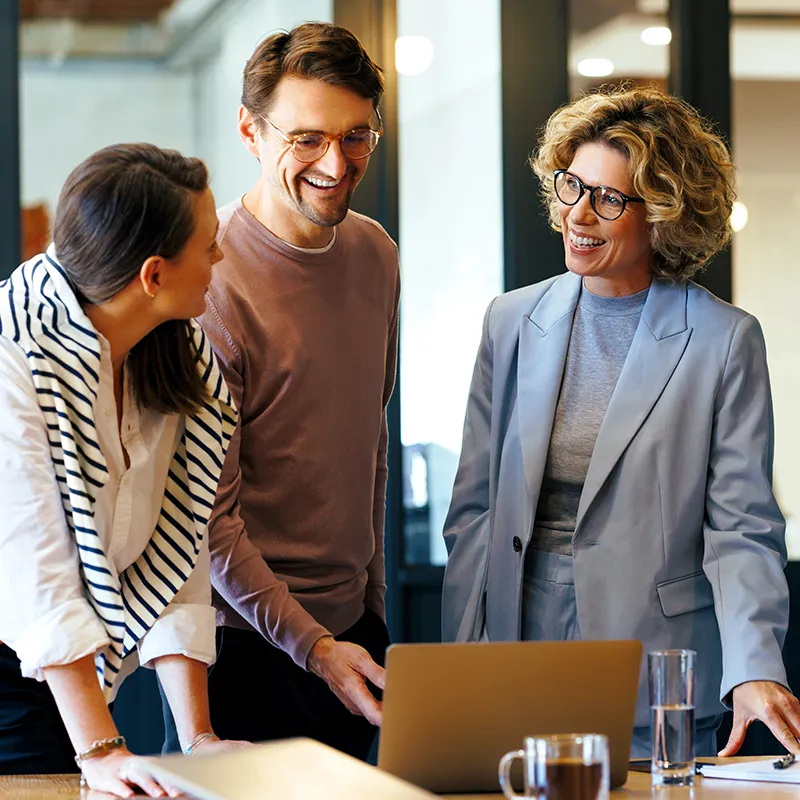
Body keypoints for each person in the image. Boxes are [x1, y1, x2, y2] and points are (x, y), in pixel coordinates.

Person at [441, 85, 800, 758]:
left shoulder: (723, 339)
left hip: (653, 660)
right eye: (571, 185)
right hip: (517, 647)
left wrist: (755, 665)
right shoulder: (511, 320)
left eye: (608, 198)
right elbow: (474, 513)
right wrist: (462, 662)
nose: (579, 213)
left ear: (663, 214)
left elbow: (743, 526)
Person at [181, 22, 399, 760]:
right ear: (250, 130)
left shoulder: (375, 252)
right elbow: (210, 521)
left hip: (356, 637)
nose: (335, 164)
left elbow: (370, 439)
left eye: (357, 137)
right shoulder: (209, 282)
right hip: (247, 646)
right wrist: (312, 646)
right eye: (306, 138)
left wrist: (369, 609)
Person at [0, 143, 245, 795]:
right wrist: (102, 749)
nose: (220, 259)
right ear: (154, 275)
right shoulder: (11, 356)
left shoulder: (169, 352)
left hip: (69, 666)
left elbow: (179, 549)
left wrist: (199, 739)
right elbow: (36, 572)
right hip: (14, 664)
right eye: (209, 245)